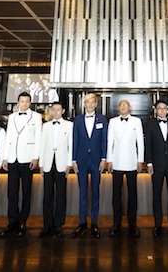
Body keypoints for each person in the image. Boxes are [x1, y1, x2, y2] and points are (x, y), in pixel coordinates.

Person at [0, 92, 41, 238]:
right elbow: (9, 137)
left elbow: (38, 137)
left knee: (26, 191)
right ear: (18, 102)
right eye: (22, 101)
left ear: (30, 103)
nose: (24, 104)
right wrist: (5, 157)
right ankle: (12, 222)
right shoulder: (11, 117)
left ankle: (23, 221)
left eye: (27, 101)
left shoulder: (36, 116)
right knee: (12, 191)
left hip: (28, 158)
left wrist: (35, 157)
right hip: (13, 158)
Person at [71, 93, 108, 239]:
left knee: (95, 192)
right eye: (88, 102)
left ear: (96, 104)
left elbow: (104, 140)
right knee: (83, 193)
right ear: (84, 104)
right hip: (81, 160)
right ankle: (82, 223)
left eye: (93, 102)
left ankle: (94, 223)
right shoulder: (78, 120)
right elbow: (75, 140)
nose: (90, 104)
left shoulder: (102, 119)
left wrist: (104, 159)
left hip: (96, 160)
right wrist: (74, 160)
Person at [145, 100, 168, 238]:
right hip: (157, 165)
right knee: (157, 195)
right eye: (159, 108)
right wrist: (149, 163)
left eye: (164, 108)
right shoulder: (150, 124)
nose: (162, 110)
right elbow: (148, 144)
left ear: (167, 110)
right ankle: (158, 224)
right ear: (155, 110)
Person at [106, 99, 144, 238]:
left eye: (125, 105)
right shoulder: (112, 121)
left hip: (132, 161)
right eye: (121, 105)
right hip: (116, 161)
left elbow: (140, 141)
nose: (123, 107)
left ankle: (132, 224)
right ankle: (116, 223)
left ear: (129, 107)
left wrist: (140, 160)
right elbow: (110, 141)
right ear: (118, 108)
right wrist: (109, 160)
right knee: (116, 194)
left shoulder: (137, 121)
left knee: (132, 194)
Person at [38, 102, 73, 238]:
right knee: (47, 195)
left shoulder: (69, 125)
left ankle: (58, 225)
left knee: (60, 195)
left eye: (58, 109)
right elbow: (42, 145)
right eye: (54, 109)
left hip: (62, 163)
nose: (56, 111)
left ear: (63, 111)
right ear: (51, 111)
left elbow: (71, 145)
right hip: (48, 163)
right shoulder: (46, 126)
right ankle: (47, 225)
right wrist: (41, 164)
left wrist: (69, 163)